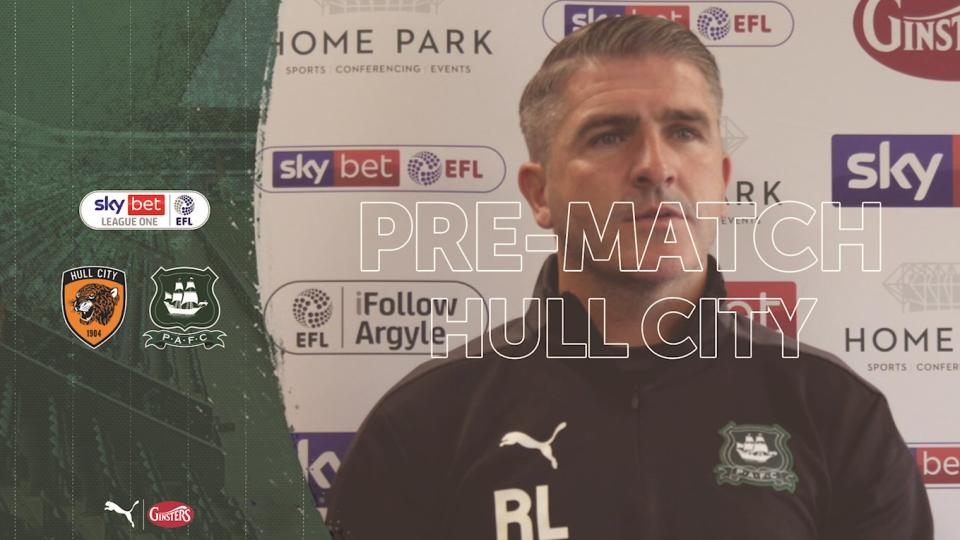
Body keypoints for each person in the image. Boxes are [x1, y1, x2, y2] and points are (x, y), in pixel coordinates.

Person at [325, 14, 933, 540]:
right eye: (609, 135)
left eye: (684, 132)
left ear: (722, 181)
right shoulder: (426, 421)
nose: (654, 166)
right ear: (540, 193)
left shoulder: (835, 413)